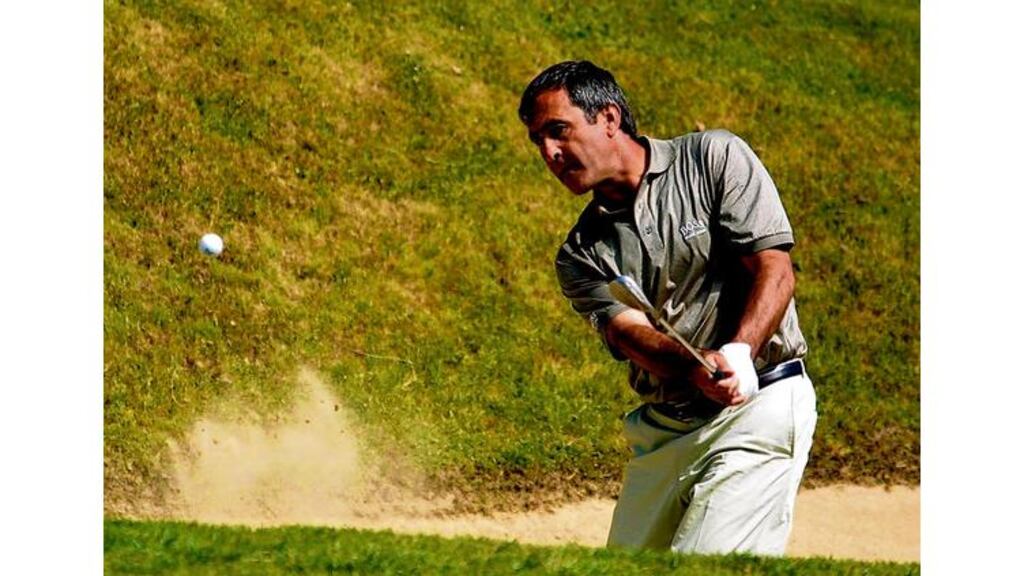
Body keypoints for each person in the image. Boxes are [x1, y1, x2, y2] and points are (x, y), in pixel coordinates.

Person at [517, 60, 817, 556]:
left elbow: (774, 269)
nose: (549, 153)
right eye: (538, 142)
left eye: (558, 131)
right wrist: (696, 366)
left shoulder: (712, 158)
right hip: (667, 431)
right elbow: (628, 334)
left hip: (759, 404)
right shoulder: (580, 254)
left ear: (609, 118)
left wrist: (739, 353)